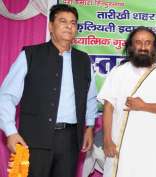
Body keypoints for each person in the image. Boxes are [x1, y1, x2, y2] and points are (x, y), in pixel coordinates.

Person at [0, 4, 97, 177]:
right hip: (34, 139)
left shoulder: (83, 61)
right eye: (63, 21)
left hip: (70, 141)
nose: (69, 26)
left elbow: (90, 97)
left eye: (73, 23)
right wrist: (10, 131)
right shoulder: (30, 55)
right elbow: (6, 96)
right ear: (50, 26)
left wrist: (89, 127)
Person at [97, 26, 156, 177]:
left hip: (153, 146)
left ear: (154, 47)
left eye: (148, 43)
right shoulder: (118, 72)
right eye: (138, 42)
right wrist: (107, 140)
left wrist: (144, 106)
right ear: (131, 46)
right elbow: (108, 107)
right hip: (121, 146)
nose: (143, 47)